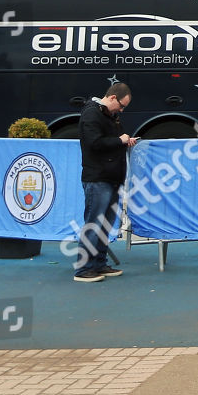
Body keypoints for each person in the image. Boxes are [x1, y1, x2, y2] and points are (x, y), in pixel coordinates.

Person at [72, 83, 135, 282]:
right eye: (122, 106)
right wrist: (120, 141)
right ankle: (83, 269)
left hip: (110, 177)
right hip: (98, 178)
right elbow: (94, 143)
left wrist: (125, 140)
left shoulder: (108, 114)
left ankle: (99, 264)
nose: (122, 110)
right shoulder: (92, 114)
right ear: (113, 98)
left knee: (104, 225)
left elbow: (111, 139)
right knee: (94, 224)